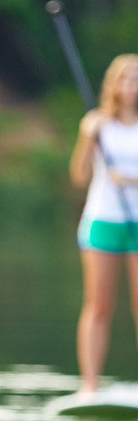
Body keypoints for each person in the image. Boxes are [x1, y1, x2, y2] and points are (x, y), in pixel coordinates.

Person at [70, 54, 138, 394]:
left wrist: (130, 178)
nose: (131, 86)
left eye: (136, 79)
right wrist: (86, 136)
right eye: (125, 79)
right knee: (98, 305)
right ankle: (90, 385)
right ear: (114, 84)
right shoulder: (99, 125)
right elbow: (79, 176)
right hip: (103, 220)